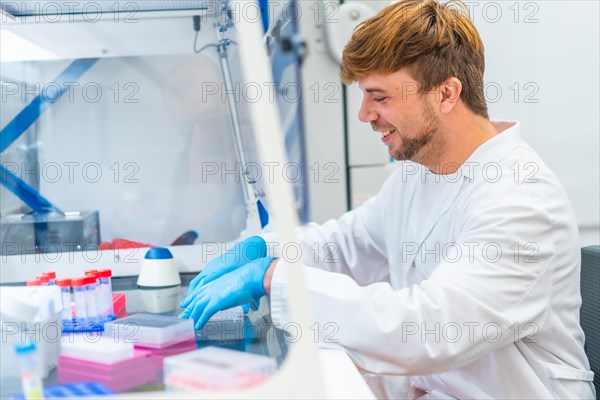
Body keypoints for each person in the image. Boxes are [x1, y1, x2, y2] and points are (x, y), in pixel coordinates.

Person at [179, 0, 595, 398]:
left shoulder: (521, 199)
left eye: (380, 97)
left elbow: (428, 329)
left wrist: (274, 277)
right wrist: (264, 250)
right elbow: (345, 244)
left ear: (447, 94)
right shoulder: (420, 173)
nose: (364, 114)